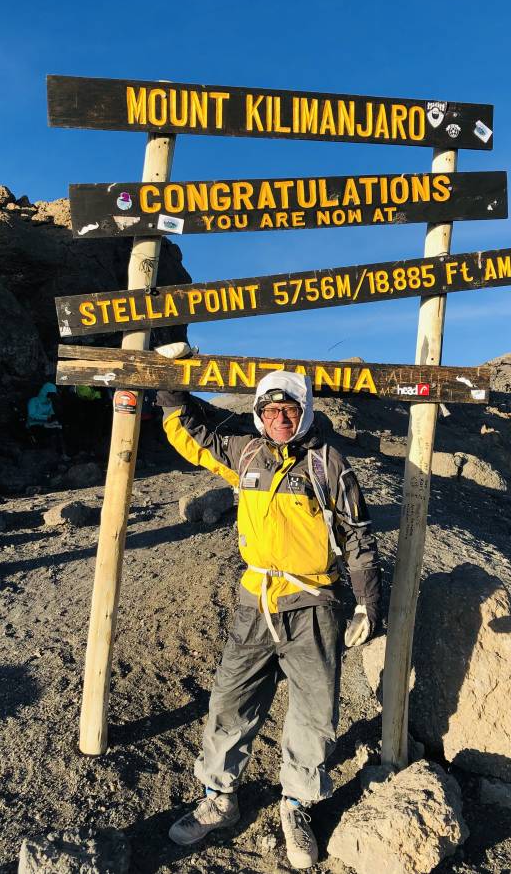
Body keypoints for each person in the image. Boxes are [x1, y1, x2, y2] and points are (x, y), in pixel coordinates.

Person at [156, 371, 381, 869]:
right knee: (230, 699)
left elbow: (359, 538)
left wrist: (368, 603)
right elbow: (194, 437)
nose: (281, 419)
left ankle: (297, 803)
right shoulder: (247, 453)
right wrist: (169, 387)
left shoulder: (329, 464)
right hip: (255, 599)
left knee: (314, 711)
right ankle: (220, 796)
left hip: (314, 601)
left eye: (291, 410)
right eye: (272, 410)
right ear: (260, 412)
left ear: (305, 413)